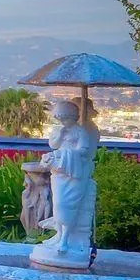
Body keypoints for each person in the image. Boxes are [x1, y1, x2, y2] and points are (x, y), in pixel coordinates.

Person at [29, 96, 98, 268]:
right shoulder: (59, 129)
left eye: (65, 118)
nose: (62, 122)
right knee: (59, 204)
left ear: (73, 117)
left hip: (74, 173)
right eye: (60, 119)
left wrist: (65, 155)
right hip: (59, 174)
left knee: (69, 205)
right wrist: (59, 135)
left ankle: (66, 239)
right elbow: (53, 144)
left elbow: (83, 151)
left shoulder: (80, 131)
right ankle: (59, 235)